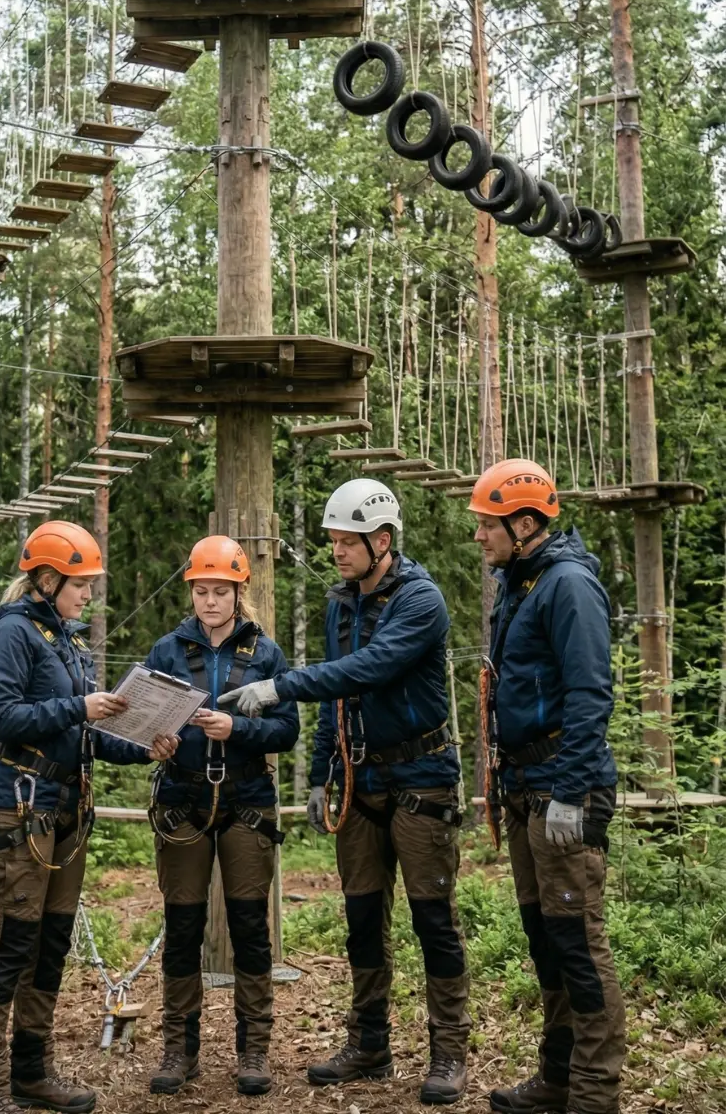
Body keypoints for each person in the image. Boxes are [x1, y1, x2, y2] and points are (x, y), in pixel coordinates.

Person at [221, 480, 470, 1105]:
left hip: (421, 776)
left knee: (431, 917)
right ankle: (370, 1042)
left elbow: (372, 667)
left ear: (381, 542)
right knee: (362, 917)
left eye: (346, 542)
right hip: (359, 778)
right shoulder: (341, 604)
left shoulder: (421, 599)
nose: (335, 551)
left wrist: (281, 687)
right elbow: (339, 697)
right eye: (332, 541)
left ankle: (449, 1050)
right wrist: (321, 774)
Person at [0, 521, 177, 1114]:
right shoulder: (12, 633)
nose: (88, 594)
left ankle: (31, 1073)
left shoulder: (68, 641)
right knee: (11, 944)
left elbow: (86, 733)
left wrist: (143, 746)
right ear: (48, 578)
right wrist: (78, 705)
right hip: (21, 803)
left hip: (65, 809)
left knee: (51, 944)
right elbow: (0, 718)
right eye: (80, 584)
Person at [470, 459, 625, 1114]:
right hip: (527, 786)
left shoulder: (568, 586)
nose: (479, 537)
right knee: (545, 938)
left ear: (525, 522)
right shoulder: (522, 583)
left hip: (565, 787)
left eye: (487, 525)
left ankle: (594, 1094)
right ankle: (558, 1076)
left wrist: (569, 789)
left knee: (578, 945)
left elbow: (590, 694)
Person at [144, 536, 299, 1099]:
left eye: (220, 591)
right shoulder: (166, 651)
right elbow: (141, 712)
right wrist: (153, 742)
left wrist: (239, 730)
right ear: (192, 592)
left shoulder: (265, 655)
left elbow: (288, 730)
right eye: (202, 591)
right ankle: (178, 1048)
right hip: (183, 797)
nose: (210, 601)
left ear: (239, 592)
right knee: (183, 926)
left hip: (246, 798)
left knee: (249, 926)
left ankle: (253, 1049)